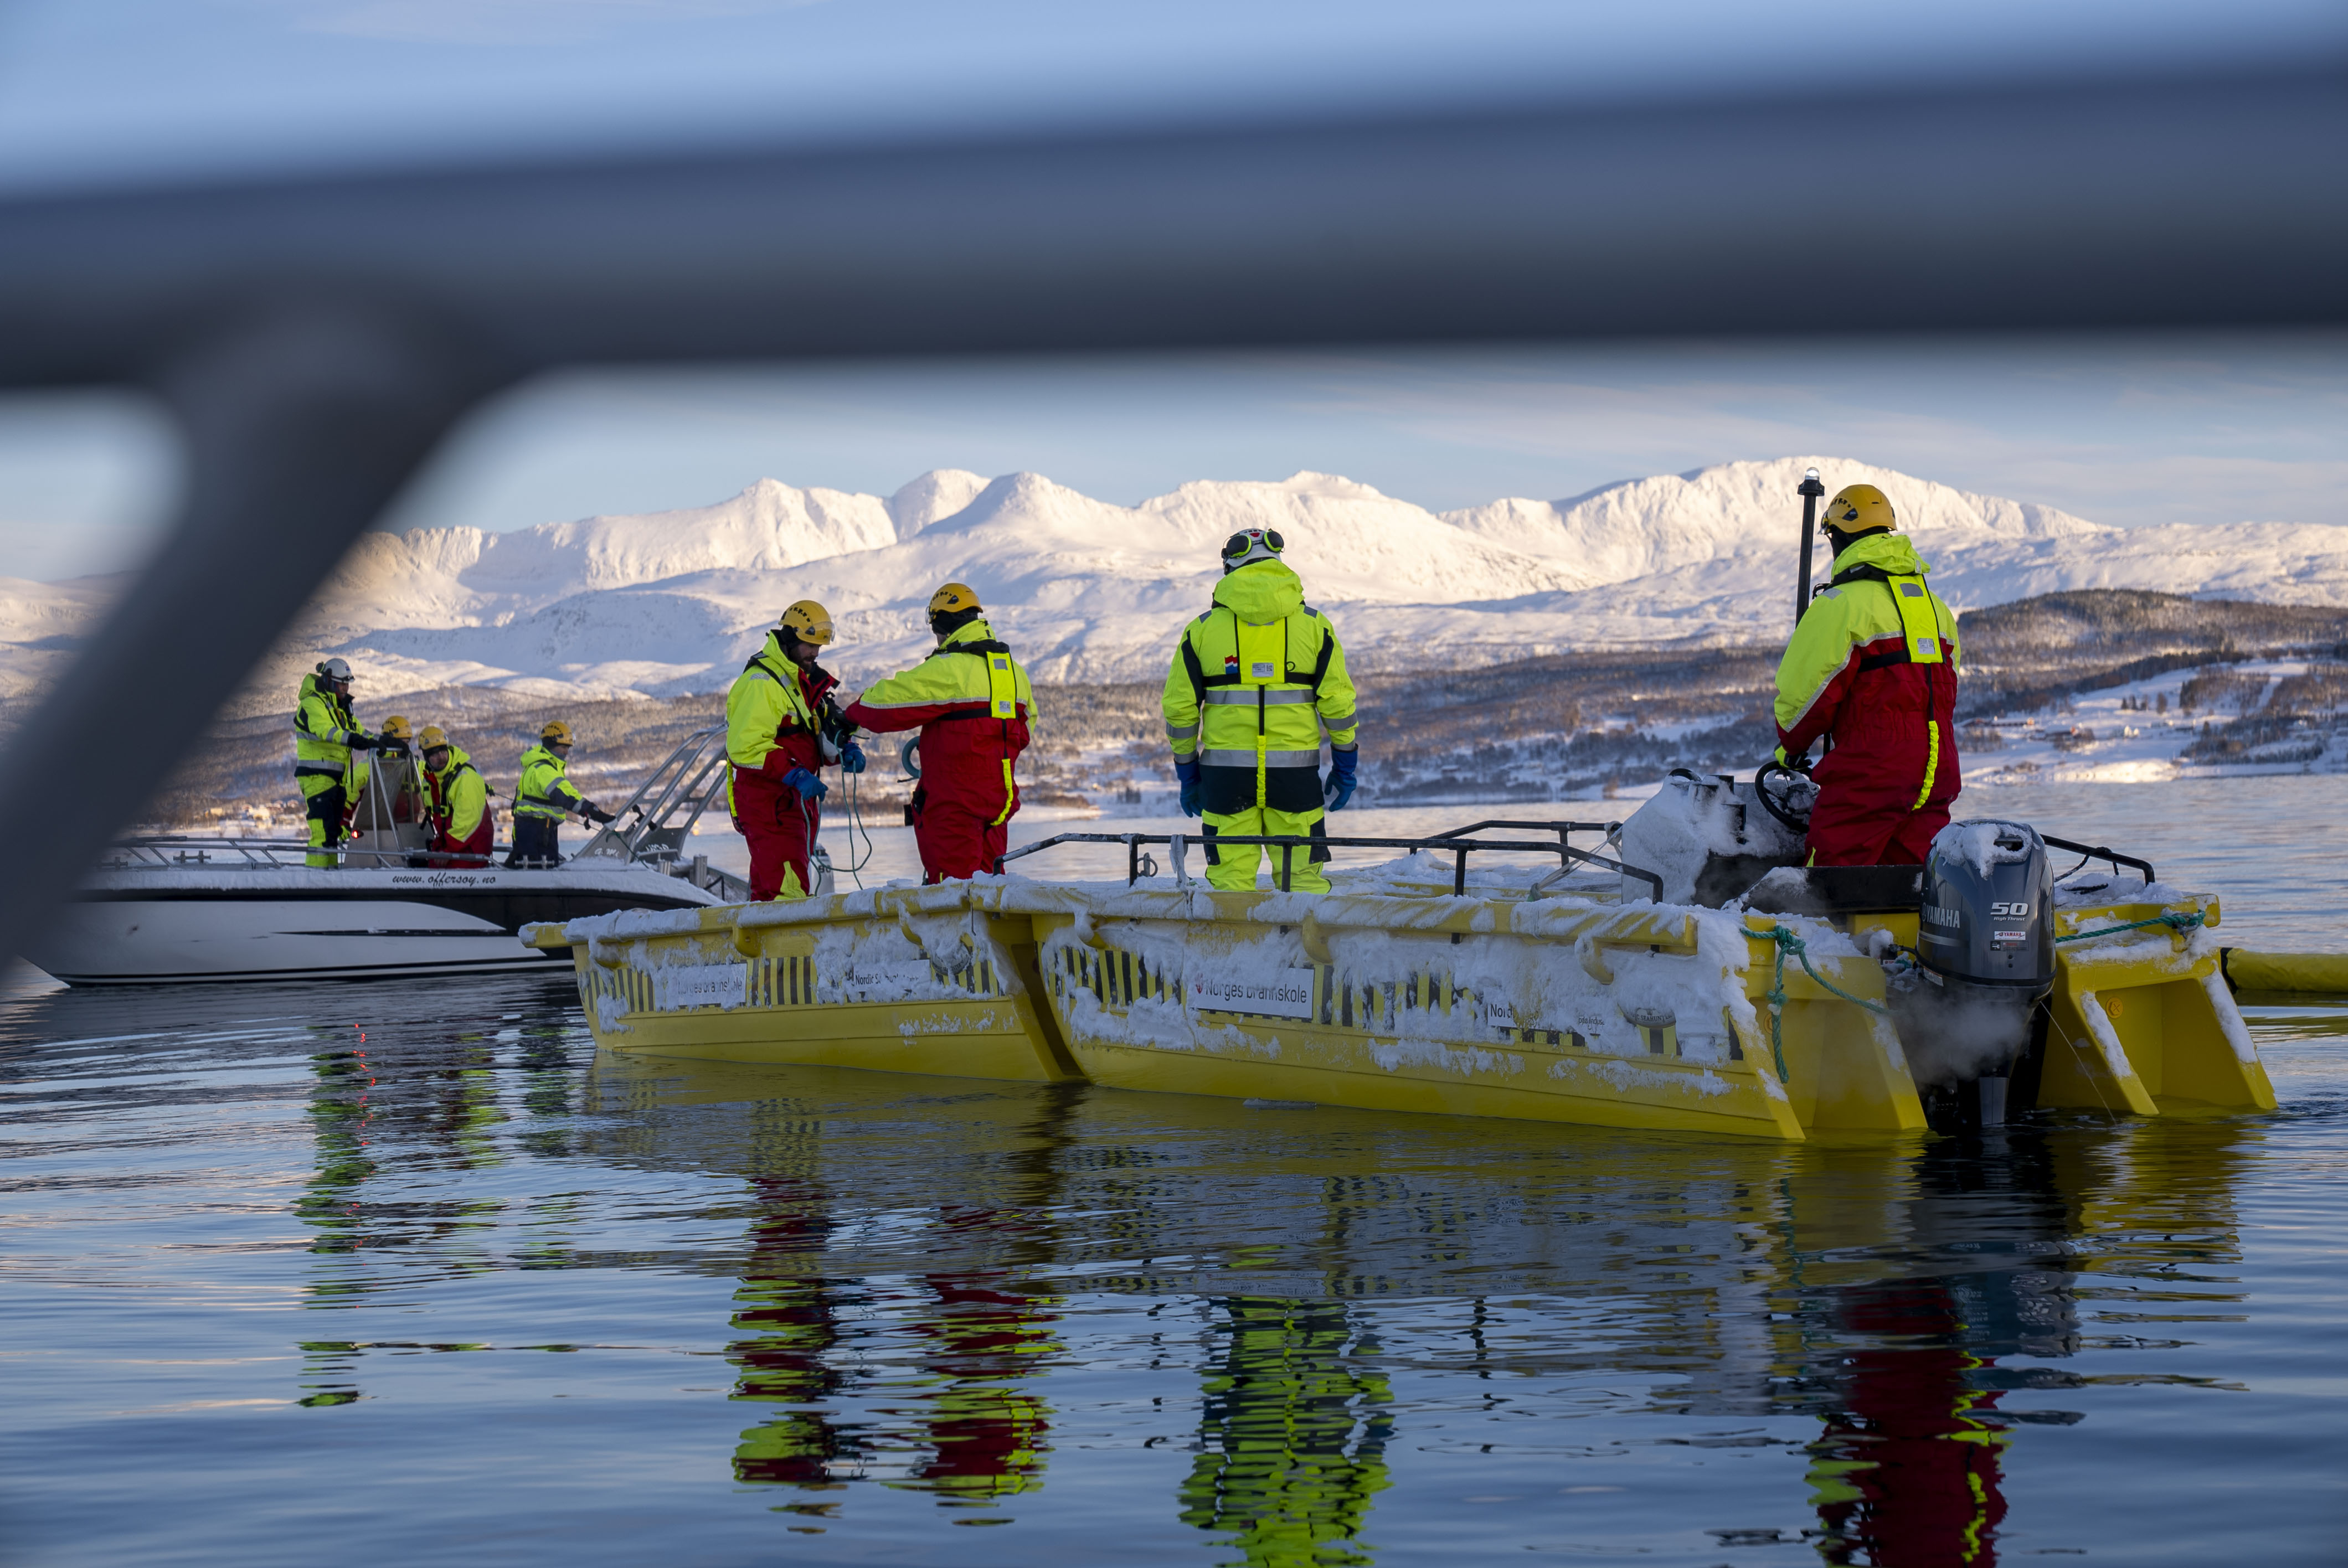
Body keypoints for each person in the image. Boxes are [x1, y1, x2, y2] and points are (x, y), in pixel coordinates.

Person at [1160, 529, 1360, 893]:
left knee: (1230, 887)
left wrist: (1188, 774)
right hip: (1296, 778)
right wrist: (1345, 764)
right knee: (1303, 883)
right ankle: (1306, 948)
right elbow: (1339, 703)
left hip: (1226, 779)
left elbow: (1180, 711)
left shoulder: (1202, 631)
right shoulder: (1315, 627)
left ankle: (1235, 947)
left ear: (1228, 570)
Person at [1774, 482, 1962, 866]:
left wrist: (1790, 750)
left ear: (1838, 537)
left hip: (1873, 772)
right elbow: (1947, 689)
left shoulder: (1840, 604)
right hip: (1937, 769)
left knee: (1830, 879)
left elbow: (1803, 705)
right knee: (1910, 887)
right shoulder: (1936, 607)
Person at [843, 584, 1030, 885]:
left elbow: (887, 703)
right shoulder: (1014, 671)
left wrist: (850, 716)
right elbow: (1022, 732)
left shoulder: (950, 668)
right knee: (990, 885)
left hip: (955, 803)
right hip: (999, 802)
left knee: (951, 890)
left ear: (942, 623)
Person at [728, 601, 862, 900]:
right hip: (770, 805)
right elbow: (745, 747)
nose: (814, 653)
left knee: (770, 893)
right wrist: (795, 773)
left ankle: (761, 946)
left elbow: (808, 734)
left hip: (790, 804)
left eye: (818, 646)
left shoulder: (799, 681)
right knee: (788, 895)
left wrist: (842, 749)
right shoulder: (762, 683)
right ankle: (786, 948)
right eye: (808, 644)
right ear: (789, 638)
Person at [292, 657, 385, 869]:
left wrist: (385, 740)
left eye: (347, 683)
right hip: (317, 777)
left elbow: (360, 732)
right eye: (341, 683)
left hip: (336, 780)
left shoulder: (341, 708)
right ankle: (316, 881)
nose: (345, 687)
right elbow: (326, 730)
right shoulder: (312, 703)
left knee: (333, 836)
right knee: (322, 835)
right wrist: (354, 740)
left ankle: (330, 875)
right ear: (328, 681)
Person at [509, 719, 614, 869]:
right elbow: (567, 797)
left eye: (568, 748)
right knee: (541, 872)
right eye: (563, 747)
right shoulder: (545, 770)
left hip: (536, 830)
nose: (567, 752)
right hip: (538, 833)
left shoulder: (540, 766)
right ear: (551, 745)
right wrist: (598, 814)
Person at [347, 714, 428, 865]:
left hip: (411, 836)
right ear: (389, 739)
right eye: (401, 742)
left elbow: (434, 783)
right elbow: (348, 794)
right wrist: (344, 821)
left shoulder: (415, 765)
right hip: (379, 839)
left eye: (407, 742)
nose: (405, 746)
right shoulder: (369, 766)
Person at [418, 725, 495, 866]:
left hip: (472, 846)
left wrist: (448, 850)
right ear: (427, 758)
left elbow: (467, 821)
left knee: (436, 870)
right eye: (434, 754)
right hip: (453, 844)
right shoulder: (431, 781)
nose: (441, 757)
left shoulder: (464, 778)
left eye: (443, 751)